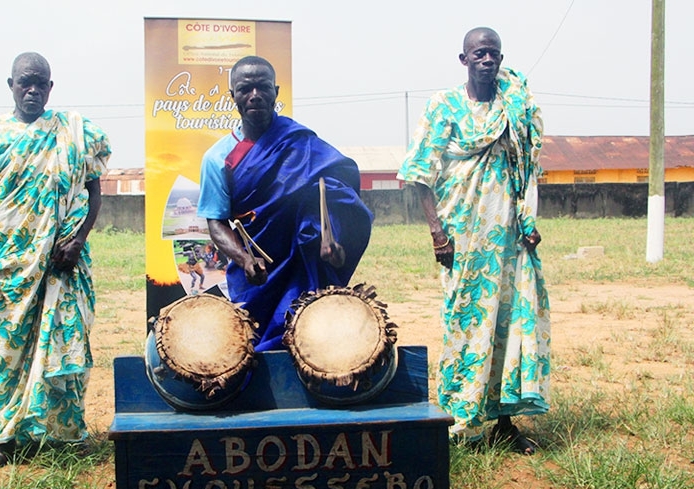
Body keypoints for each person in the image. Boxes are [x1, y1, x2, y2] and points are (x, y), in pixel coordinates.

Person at [0, 52, 111, 470]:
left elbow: (93, 193)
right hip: (9, 267)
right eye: (25, 82)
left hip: (65, 265)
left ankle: (67, 433)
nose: (33, 90)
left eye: (40, 83)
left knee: (68, 344)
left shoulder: (75, 132)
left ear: (50, 87)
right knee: (8, 354)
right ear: (10, 85)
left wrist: (77, 240)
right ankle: (5, 438)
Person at [397, 28, 551, 454]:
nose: (487, 60)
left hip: (507, 236)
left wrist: (527, 217)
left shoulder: (512, 107)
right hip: (461, 238)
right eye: (479, 54)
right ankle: (461, 419)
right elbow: (419, 175)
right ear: (463, 60)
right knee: (464, 322)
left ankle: (502, 421)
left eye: (494, 54)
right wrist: (437, 233)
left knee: (506, 322)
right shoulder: (443, 106)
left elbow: (526, 166)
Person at [197, 56, 373, 352]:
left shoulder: (301, 144)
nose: (255, 95)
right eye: (245, 89)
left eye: (263, 87)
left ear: (276, 92)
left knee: (311, 341)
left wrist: (336, 241)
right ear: (233, 96)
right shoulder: (217, 159)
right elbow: (216, 222)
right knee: (248, 347)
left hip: (302, 265)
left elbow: (335, 196)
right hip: (256, 273)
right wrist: (244, 260)